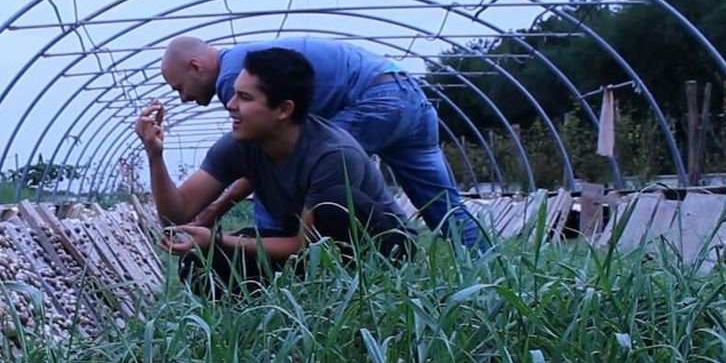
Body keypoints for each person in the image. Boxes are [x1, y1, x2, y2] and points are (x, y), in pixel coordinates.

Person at [136, 47, 414, 297]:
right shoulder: (238, 145)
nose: (231, 104)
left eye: (244, 97)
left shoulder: (333, 153)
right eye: (234, 93)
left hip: (380, 248)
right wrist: (155, 154)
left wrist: (219, 239)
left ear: (283, 109)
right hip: (306, 244)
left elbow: (304, 245)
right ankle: (273, 311)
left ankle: (355, 297)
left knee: (335, 204)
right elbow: (177, 213)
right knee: (201, 263)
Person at [159, 35, 482, 248]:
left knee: (305, 177)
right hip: (407, 92)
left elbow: (264, 156)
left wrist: (218, 209)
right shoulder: (242, 59)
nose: (183, 98)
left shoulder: (234, 77)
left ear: (195, 66)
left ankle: (282, 271)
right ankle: (487, 269)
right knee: (443, 204)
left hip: (374, 98)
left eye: (179, 87)